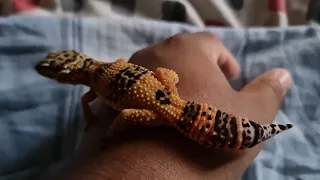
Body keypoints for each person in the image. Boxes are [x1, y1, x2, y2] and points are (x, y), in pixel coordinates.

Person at [59, 32, 292, 180]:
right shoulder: (115, 65)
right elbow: (128, 67)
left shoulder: (97, 92)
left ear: (71, 77)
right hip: (167, 94)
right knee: (163, 75)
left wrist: (112, 133)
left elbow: (127, 115)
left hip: (159, 109)